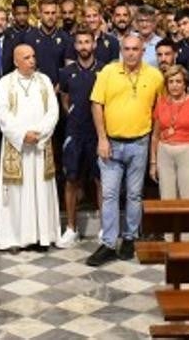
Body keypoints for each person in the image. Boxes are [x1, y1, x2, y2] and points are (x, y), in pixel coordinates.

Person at [87, 34, 164, 266]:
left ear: (143, 51)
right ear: (121, 50)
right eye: (127, 49)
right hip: (111, 142)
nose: (131, 53)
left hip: (140, 142)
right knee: (109, 194)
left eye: (135, 49)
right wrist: (102, 138)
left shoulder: (155, 76)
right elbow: (96, 105)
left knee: (134, 194)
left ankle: (130, 238)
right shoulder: (108, 72)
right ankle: (109, 243)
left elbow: (159, 112)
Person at [0, 45, 62, 252]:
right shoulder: (6, 83)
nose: (32, 60)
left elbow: (53, 111)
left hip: (40, 147)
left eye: (33, 56)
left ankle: (43, 236)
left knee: (41, 190)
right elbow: (3, 114)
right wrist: (23, 135)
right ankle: (15, 238)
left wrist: (39, 134)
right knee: (16, 193)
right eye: (26, 57)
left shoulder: (44, 81)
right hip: (18, 147)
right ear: (16, 61)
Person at [56, 29, 104, 248]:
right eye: (80, 43)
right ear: (74, 46)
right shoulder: (66, 72)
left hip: (98, 133)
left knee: (101, 180)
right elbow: (64, 99)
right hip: (74, 133)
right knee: (71, 180)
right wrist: (74, 115)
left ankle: (105, 228)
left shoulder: (105, 70)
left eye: (88, 42)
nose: (84, 46)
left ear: (94, 45)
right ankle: (71, 228)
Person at [150, 66, 189, 231]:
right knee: (167, 199)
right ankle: (170, 242)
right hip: (165, 152)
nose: (174, 85)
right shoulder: (161, 103)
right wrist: (153, 163)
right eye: (170, 82)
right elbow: (155, 136)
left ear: (185, 83)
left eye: (178, 81)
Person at [21, 0, 72, 85]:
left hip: (59, 90)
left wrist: (57, 88)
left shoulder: (65, 38)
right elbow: (25, 67)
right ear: (40, 14)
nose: (50, 16)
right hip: (34, 88)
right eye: (47, 13)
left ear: (58, 15)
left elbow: (69, 68)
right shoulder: (29, 38)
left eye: (53, 13)